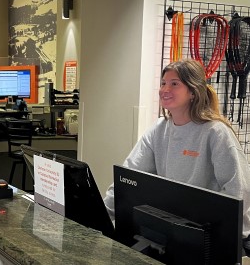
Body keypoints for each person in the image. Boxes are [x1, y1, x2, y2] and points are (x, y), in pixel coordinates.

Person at [103, 59, 250, 242]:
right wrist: (101, 215)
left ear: (193, 92)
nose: (165, 89)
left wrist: (204, 230)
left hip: (217, 237)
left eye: (174, 84)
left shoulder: (216, 132)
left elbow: (239, 191)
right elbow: (128, 176)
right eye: (163, 83)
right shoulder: (159, 129)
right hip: (176, 231)